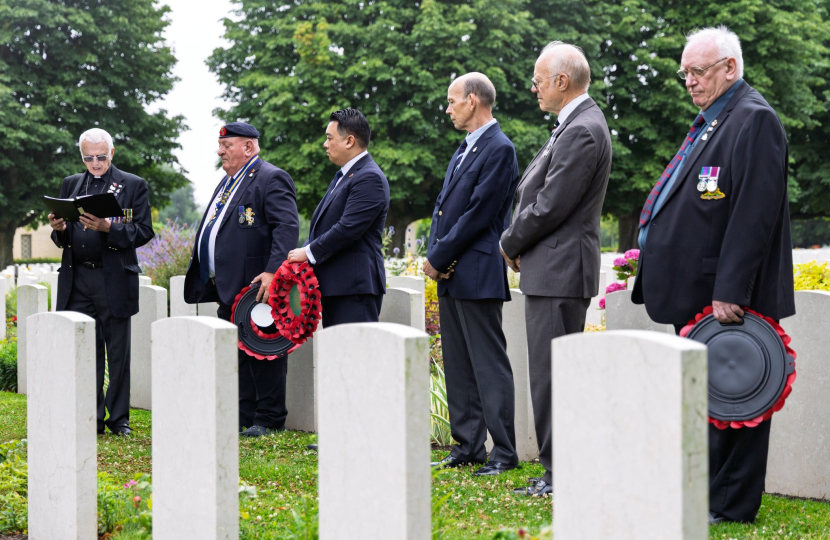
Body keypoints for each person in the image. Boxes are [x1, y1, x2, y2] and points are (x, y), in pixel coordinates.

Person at [632, 26, 794, 524]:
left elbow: (754, 212)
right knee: (708, 401)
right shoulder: (715, 120)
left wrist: (731, 289)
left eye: (698, 71)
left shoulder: (754, 120)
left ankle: (730, 504)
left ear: (730, 67)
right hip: (696, 291)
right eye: (685, 73)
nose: (689, 82)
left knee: (738, 396)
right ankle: (705, 494)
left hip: (724, 297)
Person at [499, 42, 612, 496]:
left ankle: (558, 473)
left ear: (562, 82)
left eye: (539, 80)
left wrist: (510, 240)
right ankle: (556, 468)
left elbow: (550, 205)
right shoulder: (573, 125)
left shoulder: (582, 129)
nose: (534, 88)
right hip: (554, 265)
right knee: (550, 373)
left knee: (552, 376)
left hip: (561, 268)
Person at [425, 73, 521, 476]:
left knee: (488, 364)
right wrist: (437, 255)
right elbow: (446, 210)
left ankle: (504, 452)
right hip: (452, 271)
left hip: (477, 269)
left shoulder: (499, 149)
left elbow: (478, 214)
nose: (447, 109)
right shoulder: (465, 149)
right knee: (459, 363)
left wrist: (439, 255)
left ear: (473, 100)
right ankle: (468, 446)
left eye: (451, 101)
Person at [184, 122, 299, 437]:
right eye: (220, 145)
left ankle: (270, 419)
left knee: (264, 352)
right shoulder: (228, 182)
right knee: (238, 353)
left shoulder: (270, 178)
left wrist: (275, 271)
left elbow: (286, 227)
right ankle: (243, 416)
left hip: (258, 287)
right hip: (228, 287)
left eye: (227, 145)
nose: (220, 151)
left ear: (249, 147)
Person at [49, 128, 154, 436]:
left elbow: (144, 231)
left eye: (100, 157)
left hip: (114, 277)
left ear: (112, 153)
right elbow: (62, 237)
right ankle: (91, 417)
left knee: (117, 353)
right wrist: (58, 228)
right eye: (88, 157)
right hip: (77, 277)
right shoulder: (71, 184)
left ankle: (118, 418)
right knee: (84, 351)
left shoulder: (133, 185)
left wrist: (109, 228)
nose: (94, 163)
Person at [286, 108, 390, 327]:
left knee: (355, 358)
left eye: (329, 138)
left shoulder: (369, 177)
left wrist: (308, 252)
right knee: (338, 359)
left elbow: (349, 228)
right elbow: (322, 227)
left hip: (354, 289)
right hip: (338, 287)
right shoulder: (345, 175)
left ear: (349, 141)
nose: (325, 144)